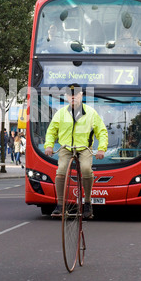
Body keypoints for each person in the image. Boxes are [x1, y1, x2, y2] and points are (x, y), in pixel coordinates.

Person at [44, 83, 108, 218]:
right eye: (70, 95)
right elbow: (51, 131)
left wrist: (101, 149)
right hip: (66, 148)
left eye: (76, 94)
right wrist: (49, 146)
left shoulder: (91, 113)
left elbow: (101, 132)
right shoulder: (60, 113)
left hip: (84, 148)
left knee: (85, 168)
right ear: (67, 97)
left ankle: (88, 203)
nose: (73, 97)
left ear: (81, 96)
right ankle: (60, 205)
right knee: (61, 169)